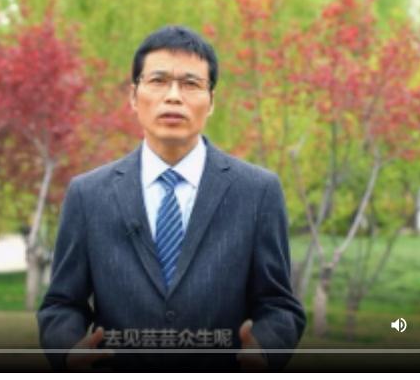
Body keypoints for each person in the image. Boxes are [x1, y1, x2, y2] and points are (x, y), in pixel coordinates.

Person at [37, 25, 305, 371]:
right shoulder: (88, 195)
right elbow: (61, 304)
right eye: (158, 80)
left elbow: (280, 306)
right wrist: (68, 349)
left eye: (191, 84)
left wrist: (264, 349)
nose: (173, 96)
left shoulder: (258, 191)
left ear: (211, 101)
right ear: (134, 96)